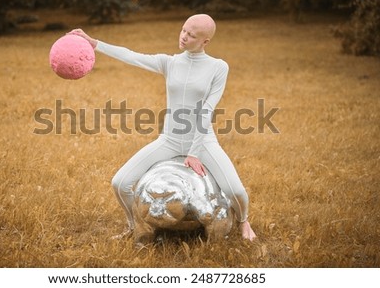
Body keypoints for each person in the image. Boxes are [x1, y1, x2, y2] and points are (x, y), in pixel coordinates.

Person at [68, 14, 256, 241]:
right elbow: (131, 56)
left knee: (235, 191)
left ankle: (244, 221)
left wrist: (194, 153)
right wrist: (94, 43)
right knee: (120, 182)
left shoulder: (218, 67)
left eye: (192, 35)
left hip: (203, 141)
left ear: (205, 41)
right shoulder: (171, 62)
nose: (184, 37)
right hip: (170, 140)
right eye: (184, 30)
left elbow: (207, 110)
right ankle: (134, 225)